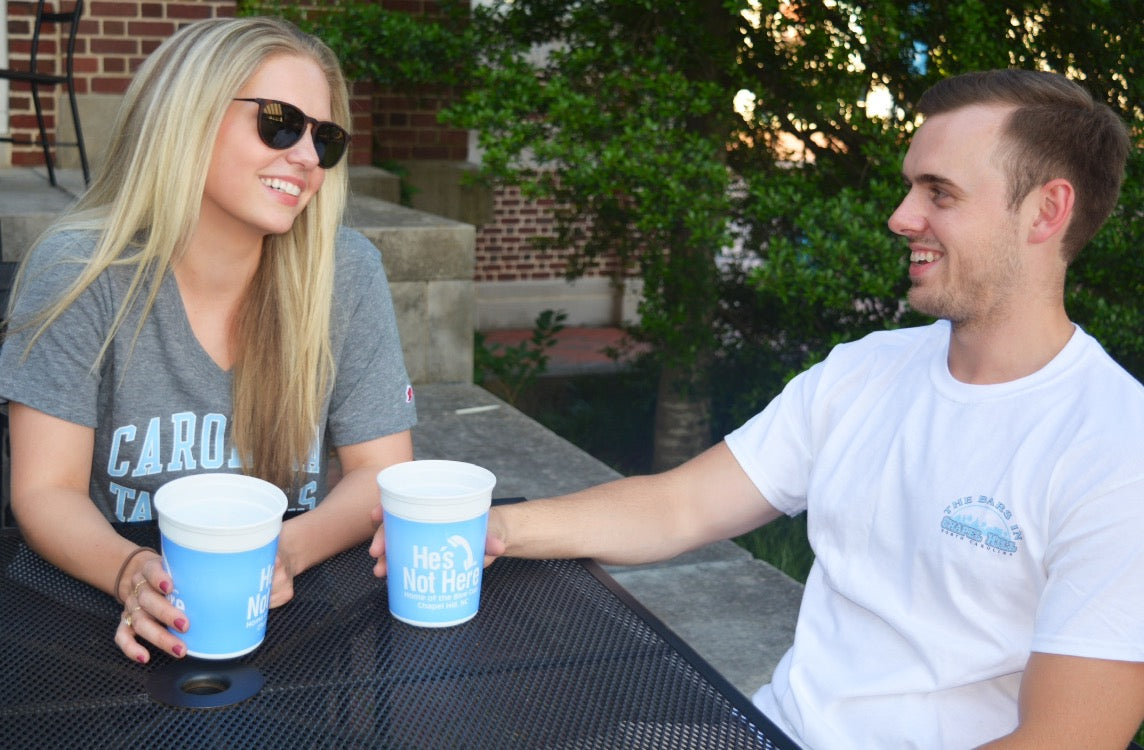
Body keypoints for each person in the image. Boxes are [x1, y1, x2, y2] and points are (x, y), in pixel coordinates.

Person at [372, 69, 1144, 748]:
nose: (901, 217)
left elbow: (1069, 737)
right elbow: (678, 508)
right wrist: (495, 528)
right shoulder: (866, 371)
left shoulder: (1114, 448)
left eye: (939, 193)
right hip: (761, 729)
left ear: (1046, 213)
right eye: (911, 187)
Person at [0, 17, 416, 665]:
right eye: (279, 122)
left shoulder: (342, 272)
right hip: (109, 625)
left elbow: (380, 471)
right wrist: (130, 572)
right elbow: (44, 490)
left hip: (287, 625)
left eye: (324, 138)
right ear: (187, 116)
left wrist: (290, 550)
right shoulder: (83, 271)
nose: (306, 158)